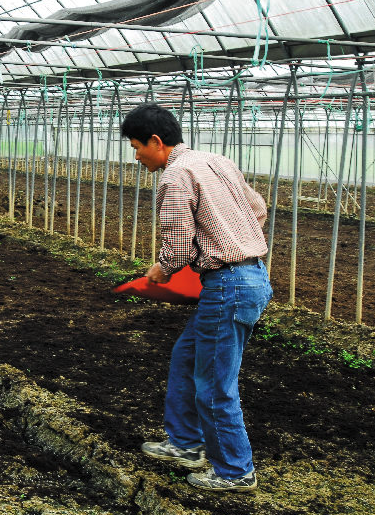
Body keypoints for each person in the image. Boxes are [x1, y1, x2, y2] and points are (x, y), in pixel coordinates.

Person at [120, 103, 273, 492]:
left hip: (229, 286)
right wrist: (236, 242)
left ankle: (236, 471)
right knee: (186, 358)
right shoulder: (216, 160)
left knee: (214, 384)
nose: (136, 155)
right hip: (249, 276)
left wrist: (161, 270)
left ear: (157, 142)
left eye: (137, 146)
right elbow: (258, 209)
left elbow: (177, 247)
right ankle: (186, 444)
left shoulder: (175, 176)